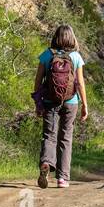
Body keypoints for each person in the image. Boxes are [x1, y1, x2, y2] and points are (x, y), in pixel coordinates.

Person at [33, 24, 88, 188]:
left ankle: (46, 162)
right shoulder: (76, 56)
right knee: (65, 138)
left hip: (50, 100)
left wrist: (38, 102)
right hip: (71, 102)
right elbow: (80, 83)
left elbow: (38, 80)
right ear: (71, 38)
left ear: (55, 37)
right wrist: (85, 104)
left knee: (49, 135)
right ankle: (62, 178)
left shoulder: (47, 55)